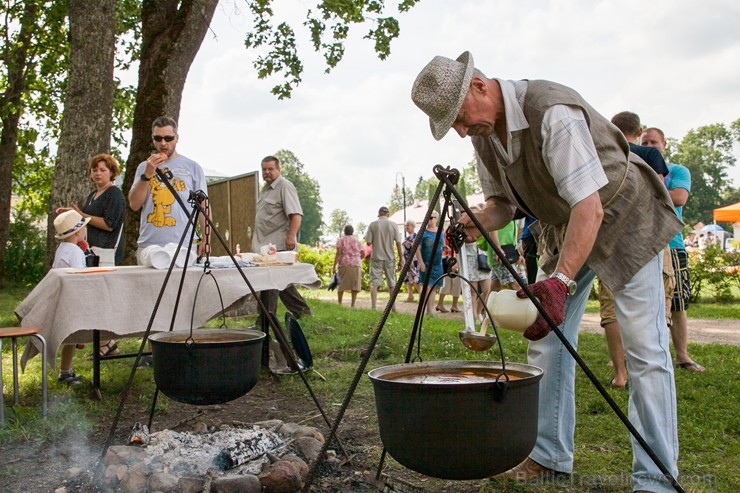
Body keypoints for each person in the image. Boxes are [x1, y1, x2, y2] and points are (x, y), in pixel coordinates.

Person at [412, 52, 681, 492]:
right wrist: (474, 218)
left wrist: (559, 282)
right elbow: (504, 204)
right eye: (452, 127)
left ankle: (656, 480)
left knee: (645, 350)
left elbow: (588, 205)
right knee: (547, 341)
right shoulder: (484, 137)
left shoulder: (551, 110)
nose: (461, 132)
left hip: (624, 218)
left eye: (459, 118)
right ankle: (550, 456)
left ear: (479, 86)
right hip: (565, 227)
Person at [599, 112, 673, 388]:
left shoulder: (602, 152)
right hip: (645, 236)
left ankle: (620, 372)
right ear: (639, 130)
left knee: (611, 308)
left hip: (607, 237)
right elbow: (660, 191)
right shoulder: (650, 154)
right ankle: (654, 369)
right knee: (651, 308)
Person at [642, 126, 705, 372]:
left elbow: (679, 197)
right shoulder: (635, 170)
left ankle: (682, 356)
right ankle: (630, 354)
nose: (649, 147)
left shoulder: (677, 171)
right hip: (642, 246)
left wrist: (647, 192)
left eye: (654, 143)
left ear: (664, 145)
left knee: (677, 303)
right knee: (641, 304)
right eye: (644, 143)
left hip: (672, 244)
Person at [56, 153, 125, 358]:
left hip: (104, 251)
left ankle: (107, 342)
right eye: (95, 169)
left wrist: (83, 216)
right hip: (90, 251)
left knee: (100, 299)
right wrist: (72, 214)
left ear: (112, 173)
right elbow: (85, 220)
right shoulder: (92, 194)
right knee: (93, 299)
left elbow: (109, 224)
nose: (97, 173)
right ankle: (106, 342)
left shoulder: (114, 194)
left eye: (103, 170)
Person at [128, 116, 209, 263]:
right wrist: (147, 173)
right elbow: (134, 204)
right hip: (150, 244)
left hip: (184, 243)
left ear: (177, 138)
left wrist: (206, 238)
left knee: (183, 285)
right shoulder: (143, 167)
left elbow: (204, 206)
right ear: (153, 139)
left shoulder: (192, 167)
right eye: (158, 138)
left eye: (168, 138)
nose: (163, 143)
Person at [252, 155, 312, 323]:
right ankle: (303, 312)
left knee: (270, 283)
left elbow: (296, 215)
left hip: (278, 245)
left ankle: (265, 321)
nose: (267, 172)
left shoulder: (285, 186)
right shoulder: (265, 189)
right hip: (265, 246)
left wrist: (291, 236)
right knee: (283, 284)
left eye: (270, 169)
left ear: (278, 170)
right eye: (264, 169)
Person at [51, 210, 91, 386]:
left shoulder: (63, 249)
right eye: (83, 227)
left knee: (71, 339)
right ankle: (65, 372)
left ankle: (66, 370)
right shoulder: (75, 251)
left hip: (63, 296)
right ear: (77, 232)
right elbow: (80, 276)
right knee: (72, 338)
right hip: (73, 299)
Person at [364, 206, 403, 310]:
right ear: (388, 214)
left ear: (379, 214)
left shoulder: (373, 225)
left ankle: (373, 306)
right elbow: (398, 244)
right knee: (391, 283)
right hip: (389, 257)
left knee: (374, 283)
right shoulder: (393, 225)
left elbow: (368, 243)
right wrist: (401, 259)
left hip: (376, 257)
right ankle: (393, 307)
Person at [415, 210, 444, 317]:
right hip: (426, 264)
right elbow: (417, 249)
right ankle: (428, 311)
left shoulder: (440, 232)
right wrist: (421, 263)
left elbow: (443, 245)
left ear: (436, 219)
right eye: (428, 218)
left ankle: (430, 310)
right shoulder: (423, 232)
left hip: (437, 264)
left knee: (434, 288)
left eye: (431, 218)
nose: (429, 220)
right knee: (427, 287)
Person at [332, 224, 364, 307]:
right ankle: (353, 304)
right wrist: (358, 258)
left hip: (344, 263)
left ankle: (339, 303)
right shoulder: (357, 240)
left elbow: (338, 254)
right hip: (356, 264)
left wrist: (334, 266)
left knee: (341, 284)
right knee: (354, 284)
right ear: (352, 232)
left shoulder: (341, 240)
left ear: (344, 231)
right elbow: (363, 253)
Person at [437, 243, 461, 312]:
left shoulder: (444, 232)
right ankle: (454, 305)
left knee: (446, 282)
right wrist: (455, 262)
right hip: (454, 257)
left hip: (446, 257)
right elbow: (456, 245)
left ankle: (440, 304)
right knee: (457, 282)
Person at [402, 220, 421, 302]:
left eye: (408, 225)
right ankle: (410, 296)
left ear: (413, 226)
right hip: (407, 260)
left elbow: (416, 248)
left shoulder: (415, 237)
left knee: (415, 278)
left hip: (412, 260)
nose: (406, 227)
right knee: (408, 278)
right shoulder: (408, 237)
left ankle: (421, 295)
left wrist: (411, 260)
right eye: (405, 226)